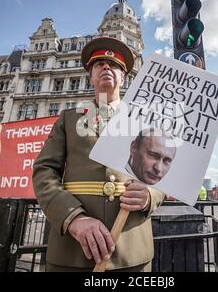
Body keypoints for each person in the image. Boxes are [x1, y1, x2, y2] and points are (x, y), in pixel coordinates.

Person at [32, 37, 165, 272]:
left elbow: (164, 172)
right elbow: (44, 171)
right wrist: (73, 218)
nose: (106, 67)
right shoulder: (69, 118)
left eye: (114, 65)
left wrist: (149, 195)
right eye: (99, 64)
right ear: (90, 76)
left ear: (124, 78)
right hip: (72, 251)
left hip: (132, 249)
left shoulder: (146, 122)